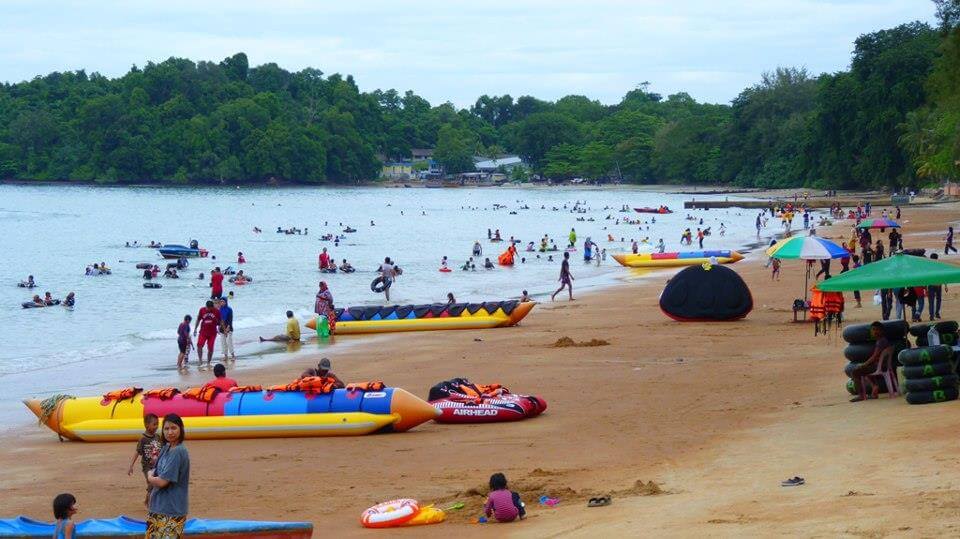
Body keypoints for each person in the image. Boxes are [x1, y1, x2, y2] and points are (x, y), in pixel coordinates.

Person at [147, 414, 190, 538]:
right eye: (166, 429)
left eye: (173, 428)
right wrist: (153, 474)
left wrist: (150, 478)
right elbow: (156, 469)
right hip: (158, 507)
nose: (170, 432)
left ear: (181, 429)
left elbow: (162, 481)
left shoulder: (178, 451)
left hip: (171, 510)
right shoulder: (167, 447)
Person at [845, 322, 894, 402]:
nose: (875, 332)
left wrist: (864, 364)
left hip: (879, 366)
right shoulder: (883, 340)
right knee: (864, 369)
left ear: (882, 331)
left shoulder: (880, 342)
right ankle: (874, 387)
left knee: (855, 372)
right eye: (873, 330)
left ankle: (861, 395)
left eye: (877, 330)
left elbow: (874, 357)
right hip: (883, 366)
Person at [128, 413, 162, 507]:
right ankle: (150, 503)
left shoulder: (158, 437)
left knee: (156, 483)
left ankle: (148, 498)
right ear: (147, 425)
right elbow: (137, 452)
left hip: (157, 465)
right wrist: (131, 466)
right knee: (151, 482)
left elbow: (163, 450)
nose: (156, 426)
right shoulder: (143, 439)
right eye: (154, 424)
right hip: (147, 466)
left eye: (157, 424)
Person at [193, 301, 221, 366]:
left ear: (212, 307)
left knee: (210, 348)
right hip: (203, 332)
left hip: (212, 333)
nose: (208, 309)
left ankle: (208, 362)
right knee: (199, 345)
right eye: (207, 308)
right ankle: (200, 360)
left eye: (209, 308)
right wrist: (195, 329)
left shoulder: (216, 311)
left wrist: (222, 329)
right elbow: (198, 319)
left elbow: (220, 321)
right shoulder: (202, 310)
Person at [928, 253, 944, 320]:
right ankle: (937, 313)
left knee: (931, 301)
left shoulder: (928, 266)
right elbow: (942, 275)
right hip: (938, 284)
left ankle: (931, 315)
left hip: (931, 284)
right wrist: (945, 284)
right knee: (938, 299)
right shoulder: (939, 265)